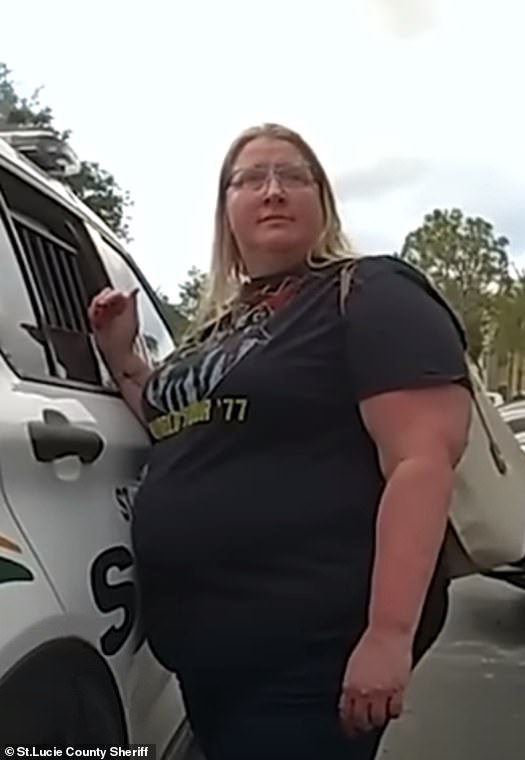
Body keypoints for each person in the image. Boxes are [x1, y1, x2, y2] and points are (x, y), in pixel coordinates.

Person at [88, 122, 472, 760]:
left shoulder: (368, 291)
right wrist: (124, 358)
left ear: (321, 201)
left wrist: (388, 634)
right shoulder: (218, 326)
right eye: (251, 179)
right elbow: (174, 416)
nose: (273, 191)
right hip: (206, 656)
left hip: (308, 659)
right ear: (227, 210)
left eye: (293, 176)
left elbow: (421, 460)